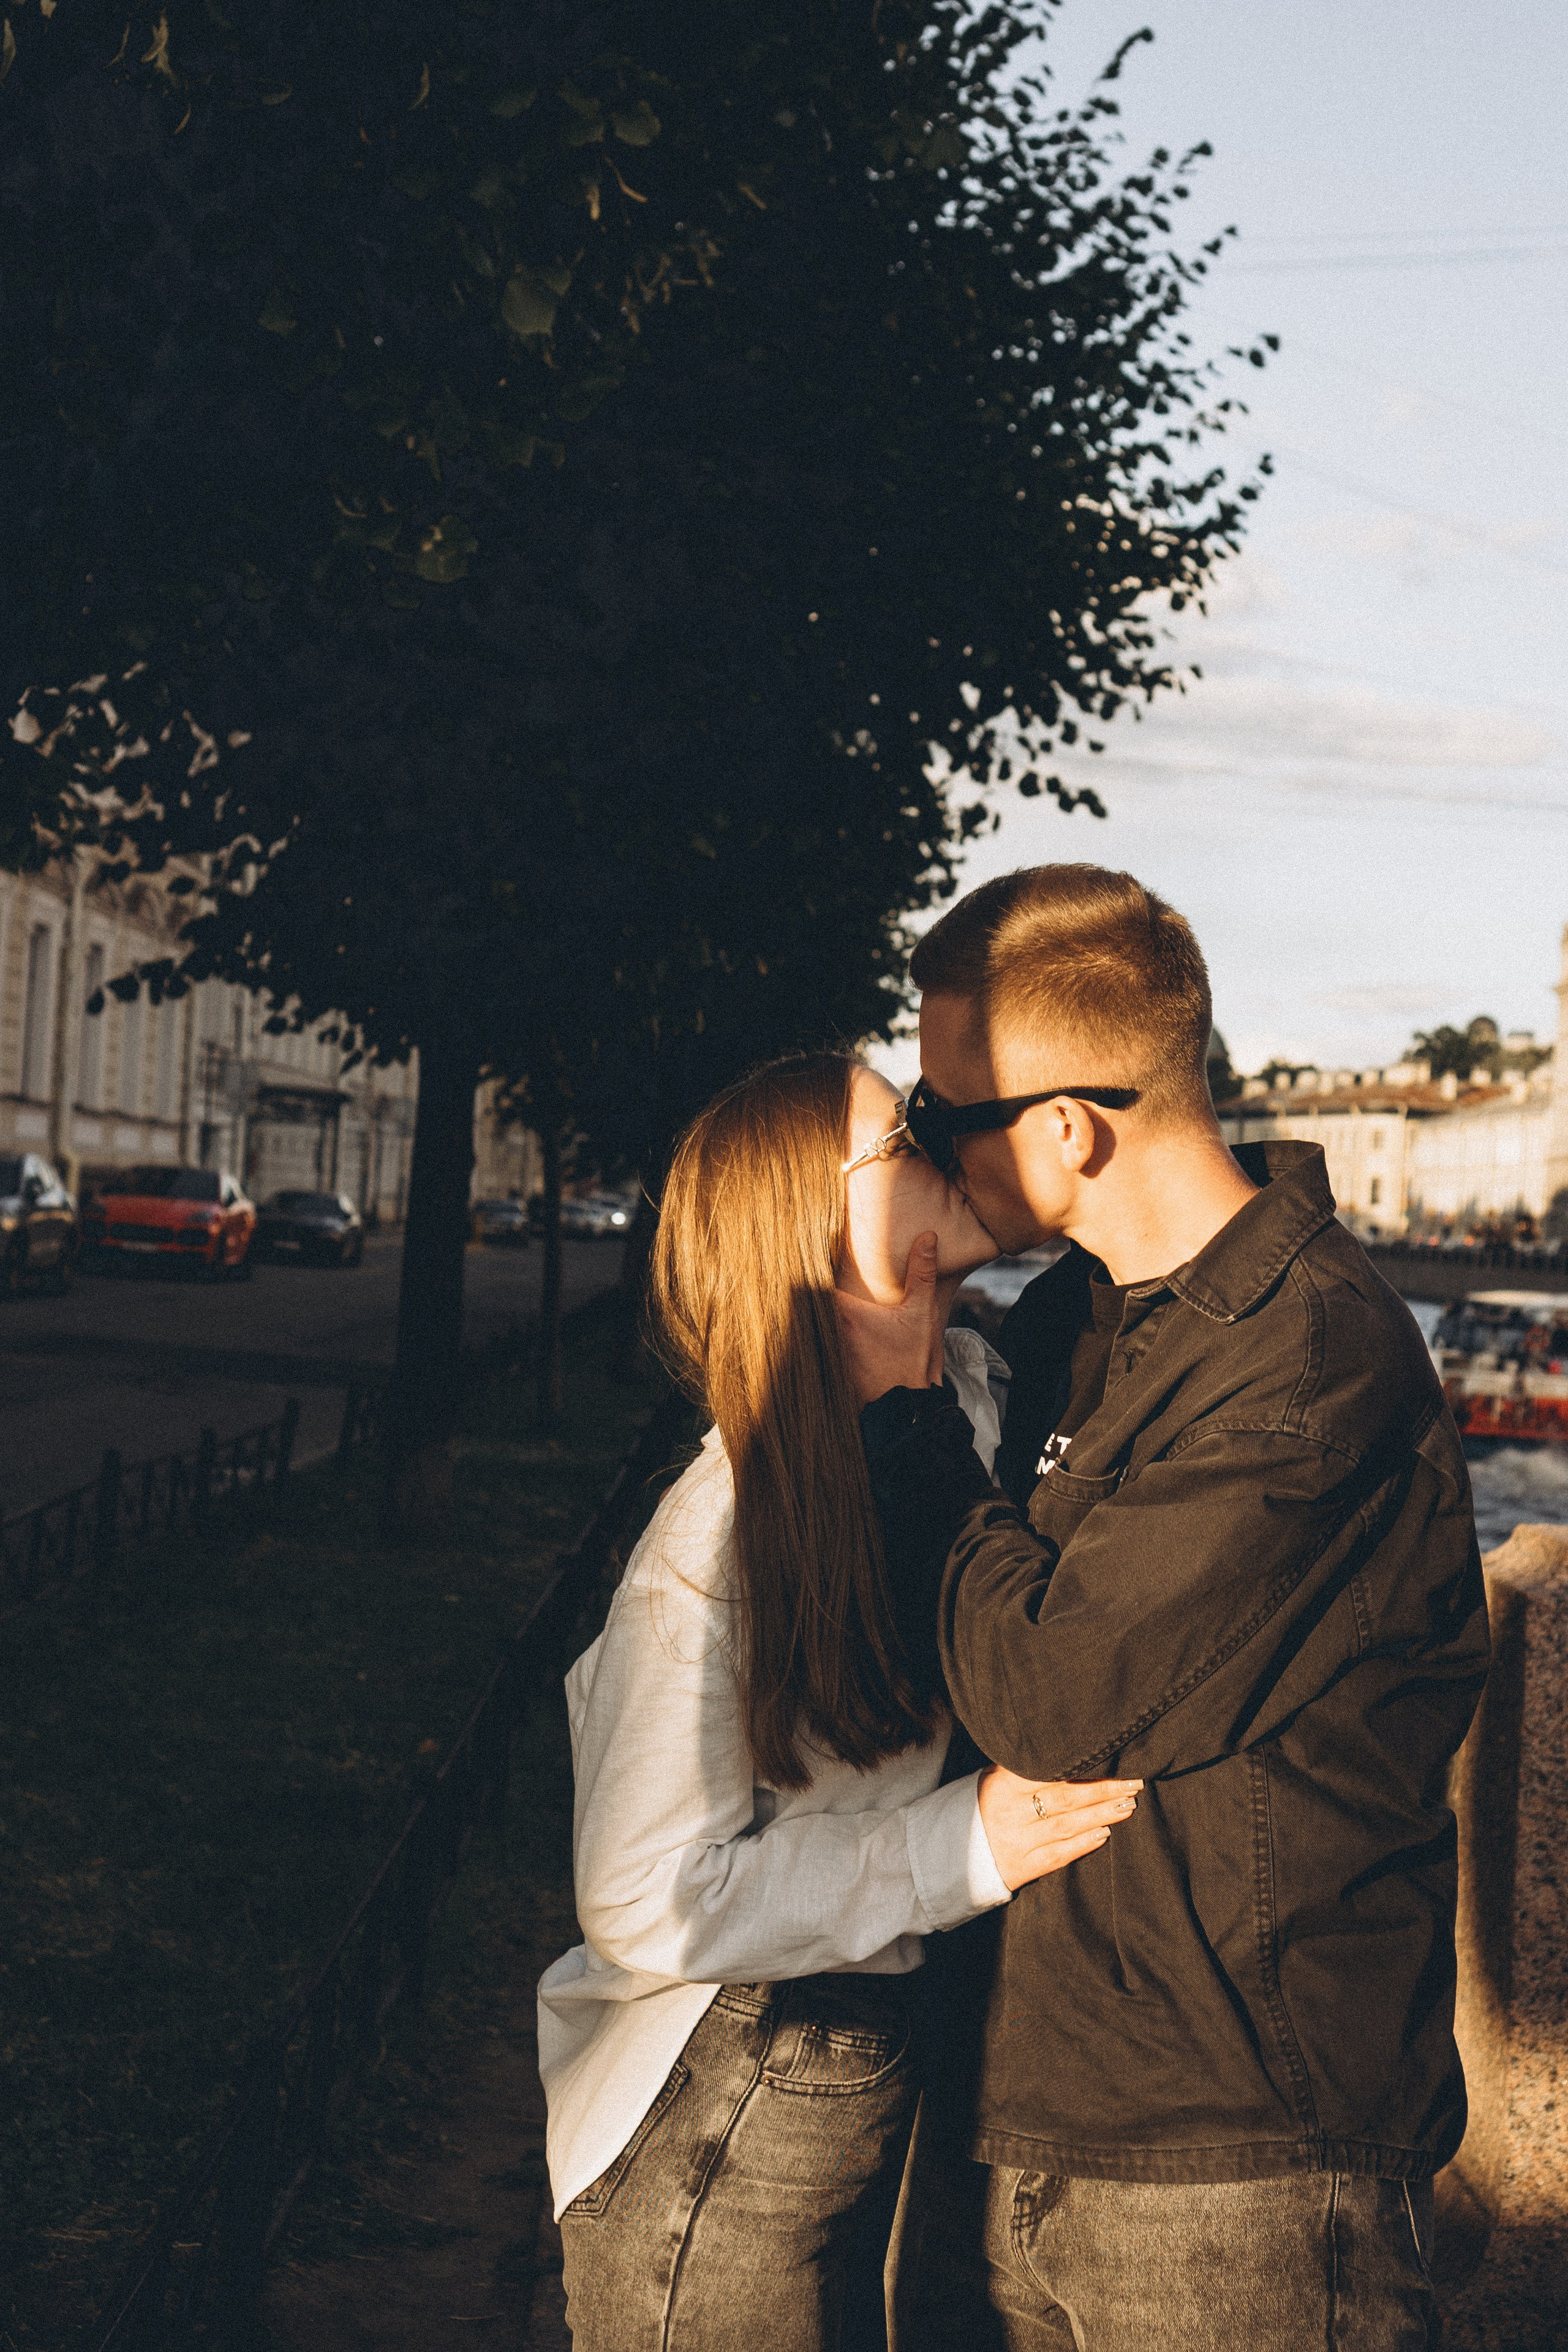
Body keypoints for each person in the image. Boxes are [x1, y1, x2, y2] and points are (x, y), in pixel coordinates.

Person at [833, 865, 1490, 2352]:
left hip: (1240, 2165)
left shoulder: (1312, 1359)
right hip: (1013, 2095)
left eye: (942, 1116)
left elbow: (1059, 1696)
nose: (922, 1152)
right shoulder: (1075, 1316)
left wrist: (903, 1409)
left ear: (1065, 1129)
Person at [537, 1050, 1142, 2351]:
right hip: (715, 2100)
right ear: (816, 1231)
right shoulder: (725, 1521)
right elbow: (641, 1894)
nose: (944, 1143)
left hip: (850, 2074)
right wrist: (961, 1844)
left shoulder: (979, 1408)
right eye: (902, 1136)